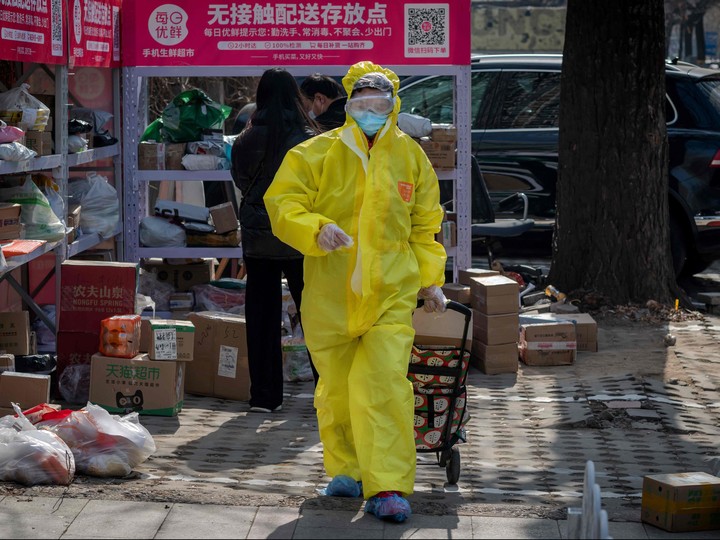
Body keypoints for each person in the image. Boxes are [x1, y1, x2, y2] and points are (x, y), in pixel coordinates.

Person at [264, 61, 448, 523]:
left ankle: (386, 484)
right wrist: (315, 228)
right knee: (339, 390)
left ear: (394, 105)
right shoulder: (316, 153)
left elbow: (426, 225)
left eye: (379, 104)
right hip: (329, 296)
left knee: (383, 387)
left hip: (390, 295)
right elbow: (283, 202)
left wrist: (430, 280)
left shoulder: (411, 157)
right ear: (350, 104)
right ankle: (346, 471)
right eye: (363, 103)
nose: (371, 111)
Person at [230, 68, 319, 412]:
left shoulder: (245, 138)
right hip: (301, 238)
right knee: (315, 317)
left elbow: (240, 181)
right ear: (295, 96)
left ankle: (265, 397)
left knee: (261, 318)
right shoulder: (310, 138)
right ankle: (325, 391)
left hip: (258, 241)